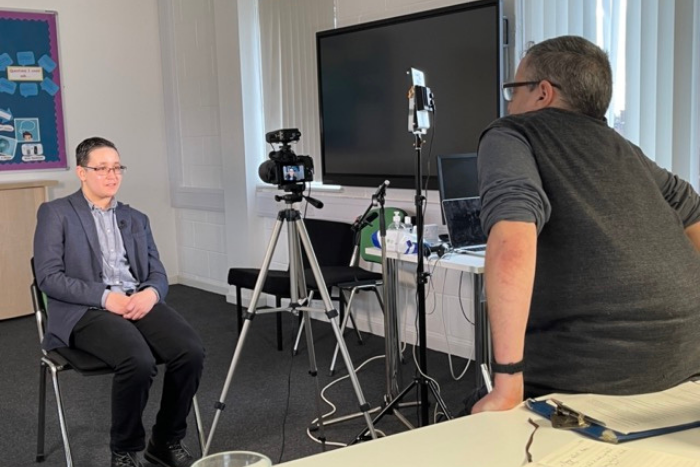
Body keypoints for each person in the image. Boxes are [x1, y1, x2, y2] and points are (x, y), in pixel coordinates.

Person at [472, 36, 700, 413]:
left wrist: (507, 383)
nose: (509, 102)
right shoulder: (623, 148)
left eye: (514, 90)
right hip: (687, 359)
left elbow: (513, 238)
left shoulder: (511, 133)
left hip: (585, 375)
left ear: (542, 93)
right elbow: (692, 209)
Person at [33, 137, 205, 467]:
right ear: (82, 172)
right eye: (102, 168)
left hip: (136, 302)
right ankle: (124, 451)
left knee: (191, 351)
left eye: (117, 168)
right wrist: (104, 297)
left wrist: (151, 294)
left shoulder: (135, 218)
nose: (111, 175)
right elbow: (49, 278)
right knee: (138, 361)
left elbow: (156, 271)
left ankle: (165, 441)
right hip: (86, 310)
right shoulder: (56, 213)